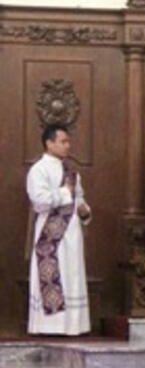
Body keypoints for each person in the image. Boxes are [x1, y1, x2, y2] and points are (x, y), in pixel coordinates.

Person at [26, 124, 91, 335]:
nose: (67, 146)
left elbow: (78, 198)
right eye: (63, 142)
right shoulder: (39, 169)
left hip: (72, 233)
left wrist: (84, 210)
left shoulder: (72, 172)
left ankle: (73, 326)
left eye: (68, 142)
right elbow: (39, 201)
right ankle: (50, 326)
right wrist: (64, 193)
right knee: (56, 274)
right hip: (49, 235)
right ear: (49, 143)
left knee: (71, 274)